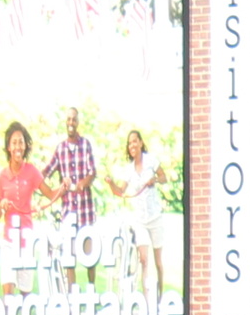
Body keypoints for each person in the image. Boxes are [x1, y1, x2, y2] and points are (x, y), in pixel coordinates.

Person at [105, 128, 169, 304]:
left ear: (141, 143)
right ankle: (147, 301)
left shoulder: (151, 161)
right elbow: (120, 192)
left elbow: (164, 178)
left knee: (158, 262)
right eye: (130, 142)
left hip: (155, 217)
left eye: (135, 141)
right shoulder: (129, 170)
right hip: (140, 220)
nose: (132, 144)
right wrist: (111, 183)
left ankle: (161, 297)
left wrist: (154, 180)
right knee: (143, 260)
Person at [44, 108, 100, 290]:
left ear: (78, 122)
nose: (71, 123)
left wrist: (82, 183)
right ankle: (72, 296)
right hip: (68, 211)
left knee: (90, 256)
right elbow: (47, 170)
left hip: (85, 212)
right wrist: (34, 178)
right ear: (65, 122)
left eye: (74, 119)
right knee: (69, 257)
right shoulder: (60, 149)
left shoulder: (86, 145)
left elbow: (93, 173)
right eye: (68, 119)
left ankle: (91, 291)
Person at [0, 122, 44, 292]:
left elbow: (51, 194)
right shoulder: (2, 176)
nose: (17, 147)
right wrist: (1, 206)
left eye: (21, 142)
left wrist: (64, 187)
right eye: (14, 143)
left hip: (26, 240)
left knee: (25, 295)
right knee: (7, 294)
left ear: (25, 146)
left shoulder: (32, 171)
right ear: (8, 147)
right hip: (9, 241)